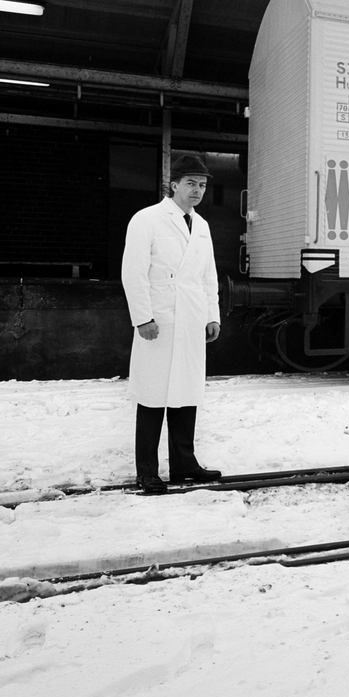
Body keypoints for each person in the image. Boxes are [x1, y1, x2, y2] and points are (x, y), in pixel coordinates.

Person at [122, 152, 223, 494]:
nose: (197, 190)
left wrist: (212, 315)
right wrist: (143, 317)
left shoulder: (202, 226)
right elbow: (133, 273)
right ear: (174, 185)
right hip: (160, 320)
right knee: (152, 395)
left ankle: (184, 464)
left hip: (192, 318)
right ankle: (147, 471)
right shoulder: (147, 219)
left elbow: (208, 276)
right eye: (191, 183)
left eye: (203, 185)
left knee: (186, 392)